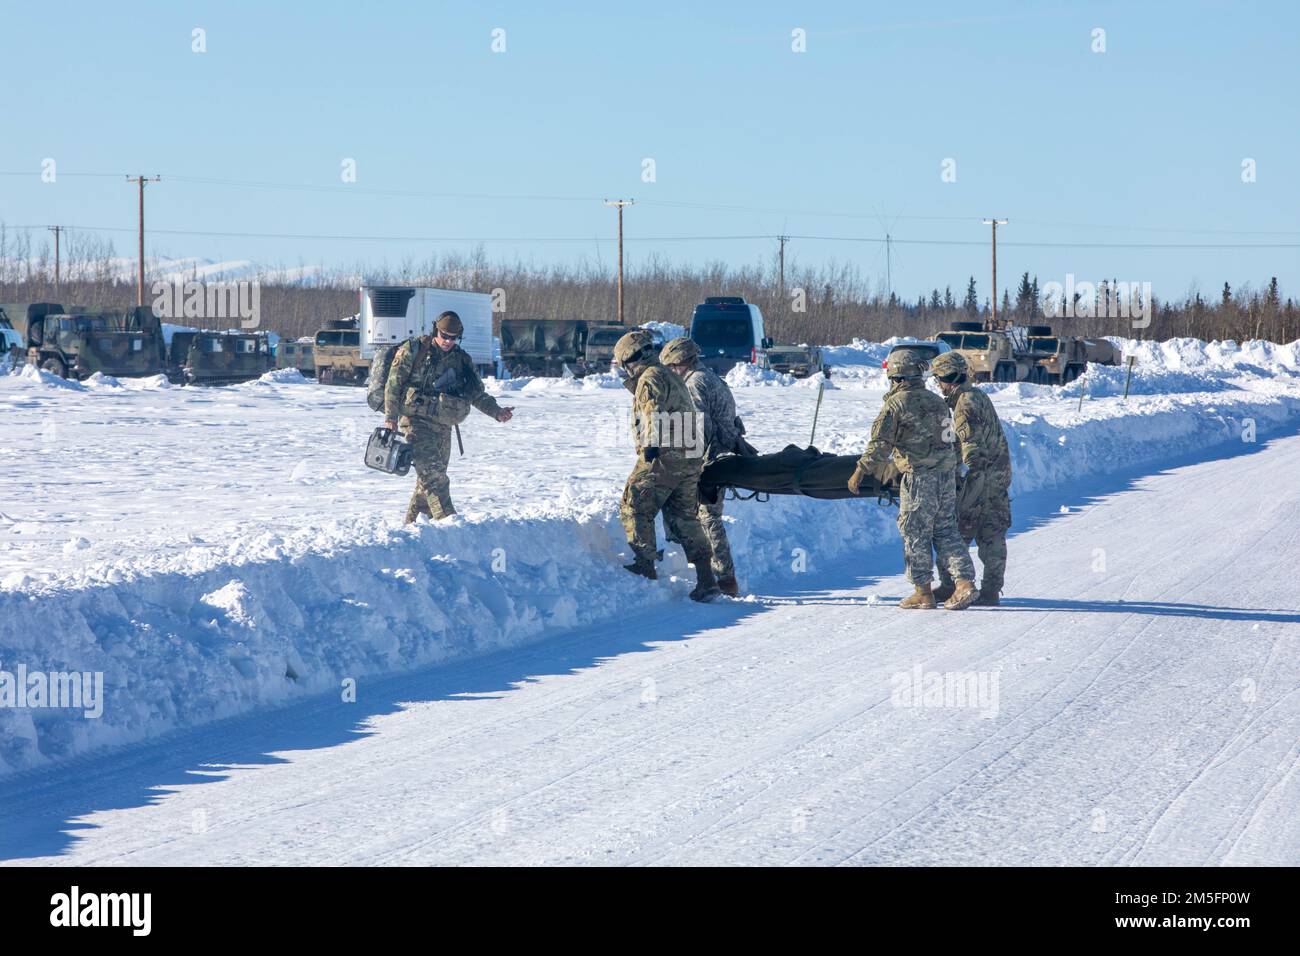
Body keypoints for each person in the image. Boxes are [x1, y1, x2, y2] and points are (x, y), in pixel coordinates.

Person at [848, 348, 977, 610]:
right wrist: (954, 471)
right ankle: (964, 582)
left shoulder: (896, 404)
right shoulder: (937, 402)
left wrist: (861, 470)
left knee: (915, 532)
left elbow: (881, 444)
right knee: (945, 530)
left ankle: (923, 592)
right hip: (945, 476)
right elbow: (951, 441)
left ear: (895, 376)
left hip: (919, 478)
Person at [614, 330, 720, 602]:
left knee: (634, 503)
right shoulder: (669, 373)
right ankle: (707, 580)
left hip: (667, 452)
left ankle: (644, 566)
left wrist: (650, 445)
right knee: (683, 516)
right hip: (690, 453)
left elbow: (652, 410)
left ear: (629, 360)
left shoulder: (650, 377)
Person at [382, 311, 513, 522]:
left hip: (443, 425)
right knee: (435, 477)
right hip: (415, 422)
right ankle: (450, 525)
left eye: (453, 337)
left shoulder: (461, 359)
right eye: (444, 335)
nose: (448, 341)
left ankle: (412, 531)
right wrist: (390, 418)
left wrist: (497, 412)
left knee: (427, 481)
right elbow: (393, 385)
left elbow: (475, 394)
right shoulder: (414, 350)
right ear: (436, 331)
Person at [659, 337, 748, 595]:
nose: (671, 372)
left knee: (708, 517)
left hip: (712, 460)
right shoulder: (706, 377)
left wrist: (689, 464)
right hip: (719, 455)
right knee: (705, 517)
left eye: (672, 367)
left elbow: (700, 428)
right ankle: (717, 576)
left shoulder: (696, 382)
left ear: (682, 362)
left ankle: (724, 580)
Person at [929, 351, 1012, 606]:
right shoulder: (978, 395)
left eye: (939, 379)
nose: (938, 385)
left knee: (953, 532)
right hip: (997, 475)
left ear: (949, 377)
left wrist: (963, 477)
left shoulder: (963, 404)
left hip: (978, 480)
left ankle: (954, 584)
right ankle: (990, 590)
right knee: (992, 534)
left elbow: (971, 446)